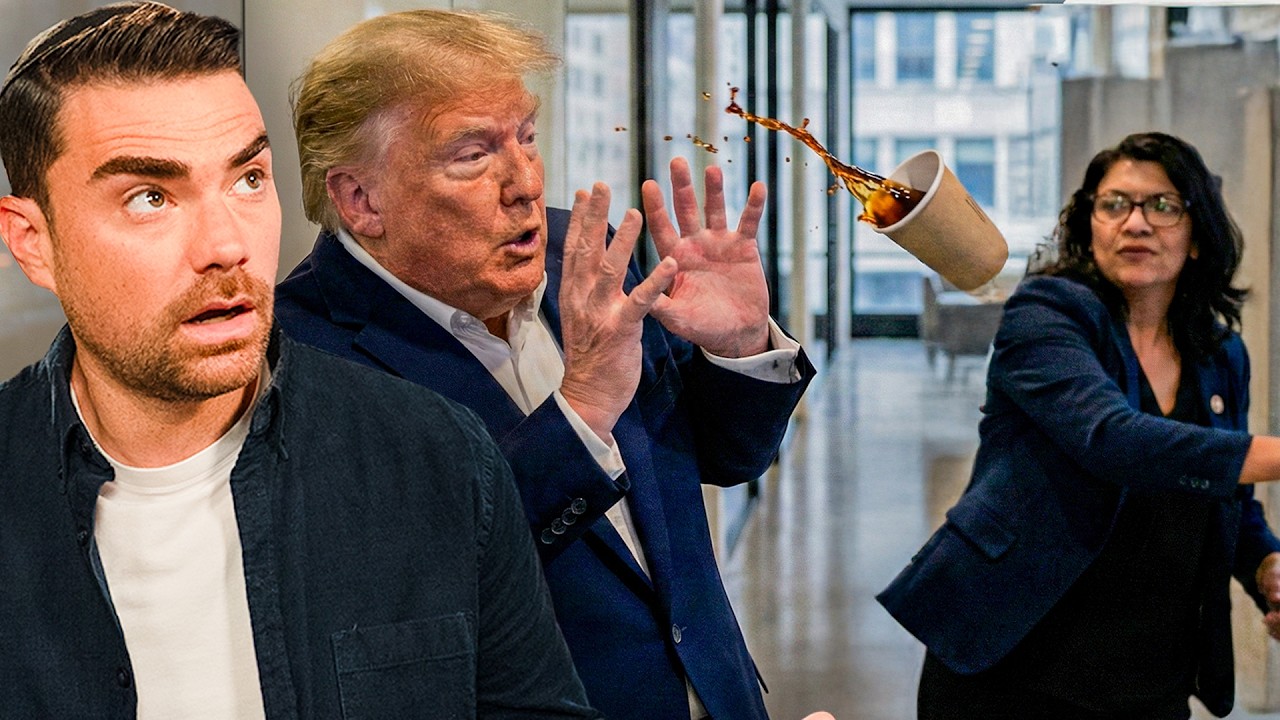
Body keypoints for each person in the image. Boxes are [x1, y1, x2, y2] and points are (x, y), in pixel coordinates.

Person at [0, 4, 599, 717]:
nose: (226, 246)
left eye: (248, 179)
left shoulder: (438, 454)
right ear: (32, 241)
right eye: (150, 197)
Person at [275, 9, 815, 720]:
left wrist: (738, 347)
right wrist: (580, 410)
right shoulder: (296, 354)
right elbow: (415, 583)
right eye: (473, 154)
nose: (525, 182)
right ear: (361, 199)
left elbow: (720, 455)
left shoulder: (576, 253)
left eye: (526, 136)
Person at [878, 131, 1280, 719]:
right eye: (1114, 204)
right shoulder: (1046, 315)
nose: (1136, 223)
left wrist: (1266, 564)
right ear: (1090, 225)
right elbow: (1111, 439)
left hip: (1151, 670)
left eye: (1163, 205)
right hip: (1013, 660)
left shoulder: (1220, 354)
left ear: (1197, 236)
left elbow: (1226, 495)